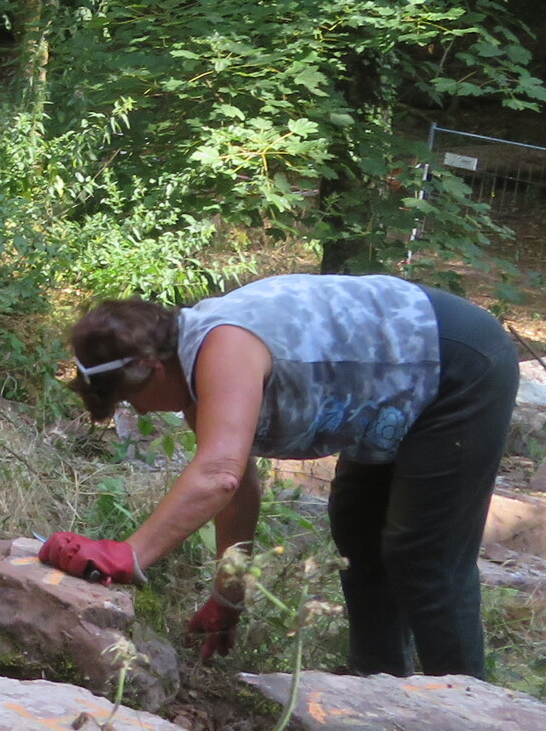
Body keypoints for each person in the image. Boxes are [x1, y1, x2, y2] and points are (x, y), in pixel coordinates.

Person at [39, 273, 518, 678]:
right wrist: (228, 597)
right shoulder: (195, 369)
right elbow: (237, 494)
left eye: (129, 398)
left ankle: (468, 713)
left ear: (151, 367)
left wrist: (130, 554)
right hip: (402, 377)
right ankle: (380, 683)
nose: (140, 410)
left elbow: (219, 474)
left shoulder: (223, 347)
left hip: (457, 362)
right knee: (358, 526)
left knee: (425, 556)